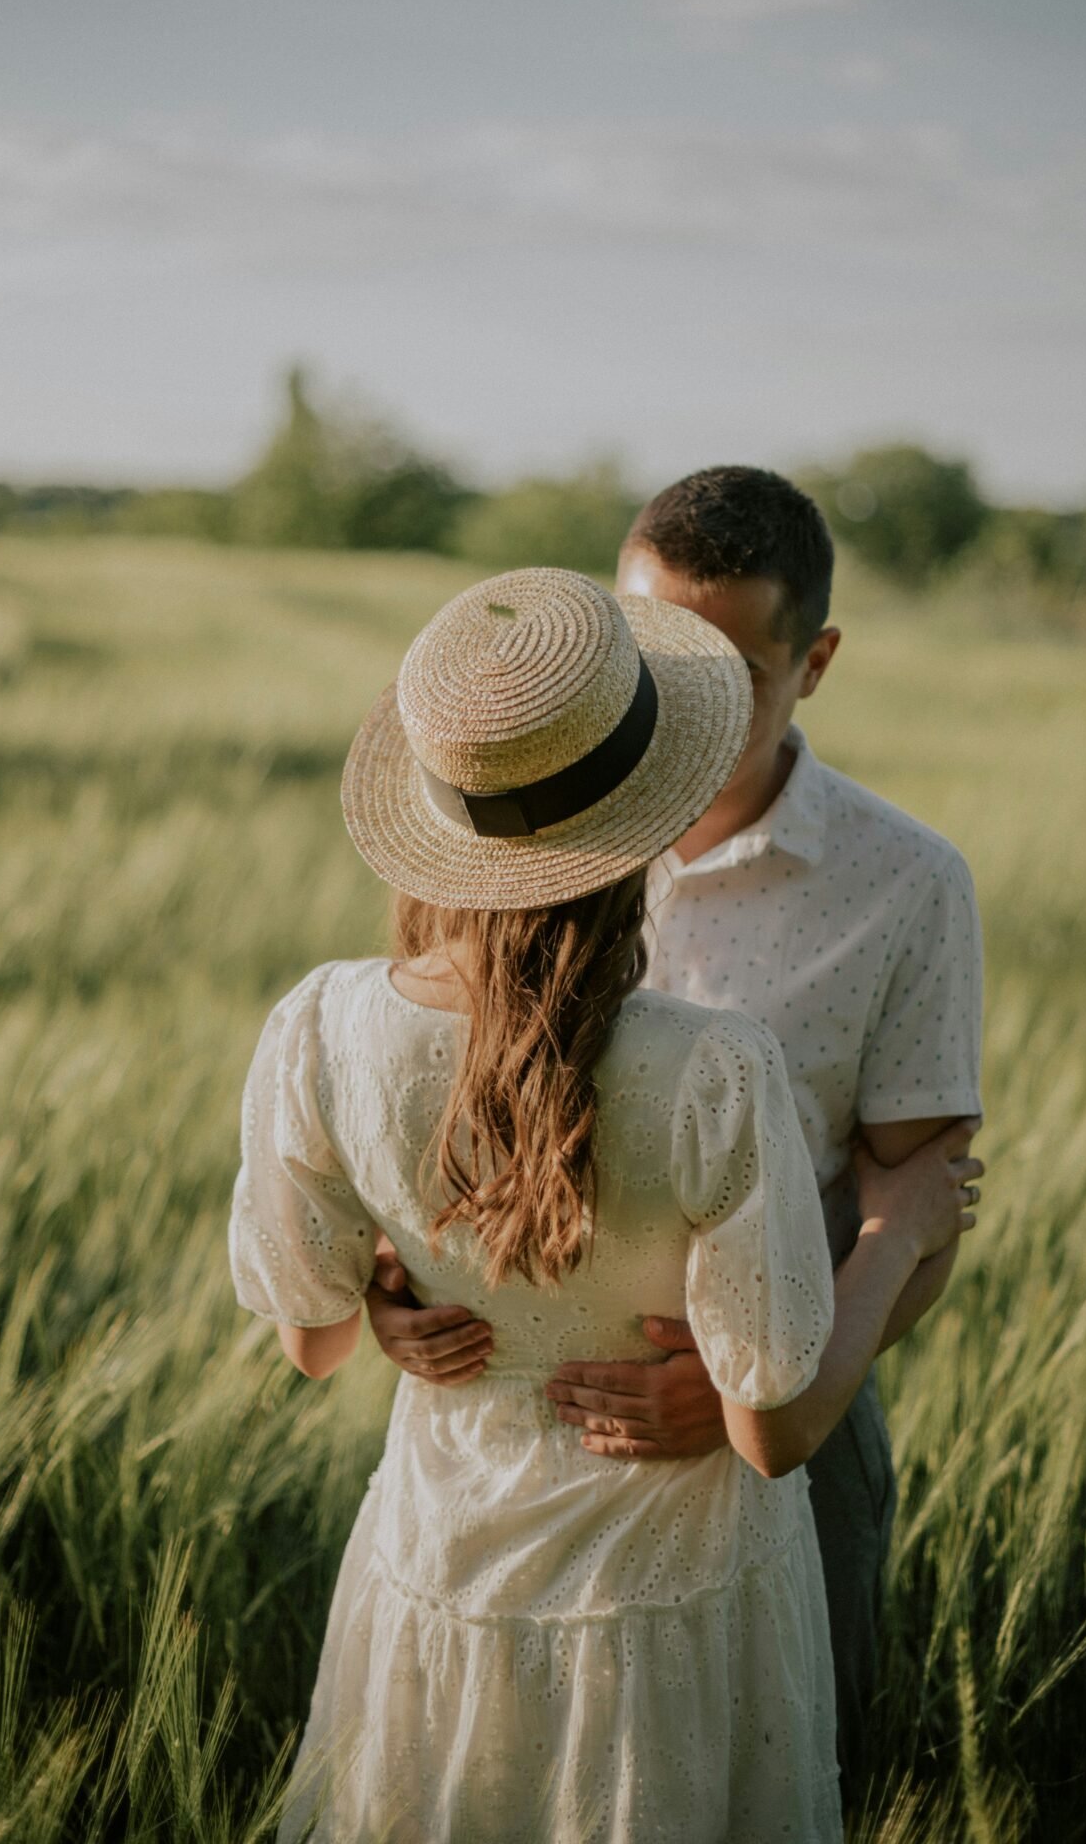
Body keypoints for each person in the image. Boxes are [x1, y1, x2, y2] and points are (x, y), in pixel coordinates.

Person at [230, 566, 981, 1844]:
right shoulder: (715, 1067)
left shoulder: (317, 1026)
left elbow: (314, 1342)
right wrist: (899, 1225)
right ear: (644, 822)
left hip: (444, 1552)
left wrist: (389, 1288)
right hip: (669, 1587)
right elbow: (772, 1429)